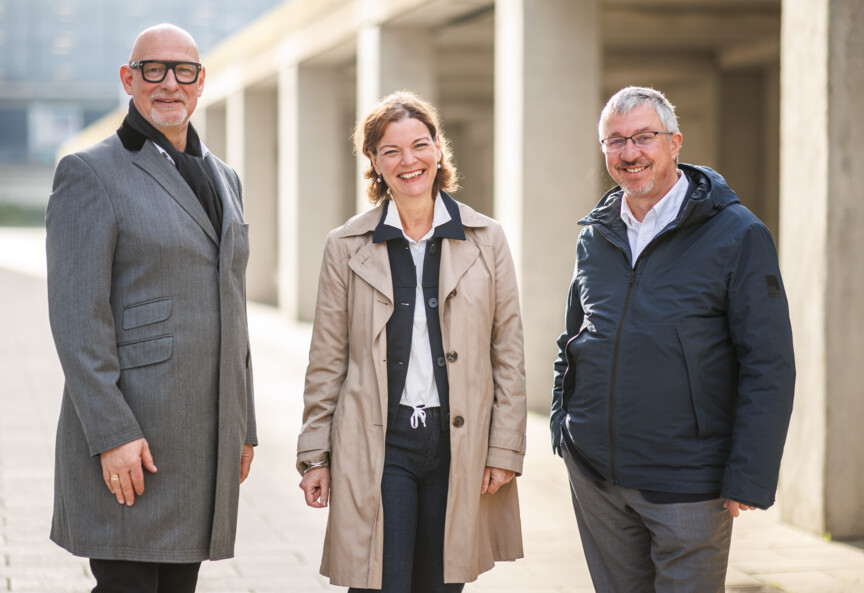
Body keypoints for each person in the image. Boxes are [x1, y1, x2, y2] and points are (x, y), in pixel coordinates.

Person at [550, 86, 795, 593]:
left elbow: (769, 362)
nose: (630, 153)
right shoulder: (595, 234)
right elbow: (573, 337)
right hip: (596, 475)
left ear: (674, 142)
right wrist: (563, 425)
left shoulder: (737, 234)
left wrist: (749, 475)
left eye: (644, 137)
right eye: (615, 141)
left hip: (689, 482)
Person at [46, 24, 256, 593]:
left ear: (200, 82)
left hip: (202, 437)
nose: (169, 83)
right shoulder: (90, 172)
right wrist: (111, 434)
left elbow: (233, 309)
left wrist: (244, 424)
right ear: (128, 79)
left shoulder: (225, 177)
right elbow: (76, 320)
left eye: (183, 71)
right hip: (133, 435)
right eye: (153, 70)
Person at [297, 90, 527, 592]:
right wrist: (315, 452)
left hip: (458, 443)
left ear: (439, 149)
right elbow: (327, 359)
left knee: (443, 583)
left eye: (420, 145)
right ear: (375, 163)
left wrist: (505, 447)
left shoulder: (487, 239)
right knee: (376, 580)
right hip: (379, 442)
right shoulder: (345, 246)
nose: (409, 161)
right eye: (391, 151)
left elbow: (508, 353)